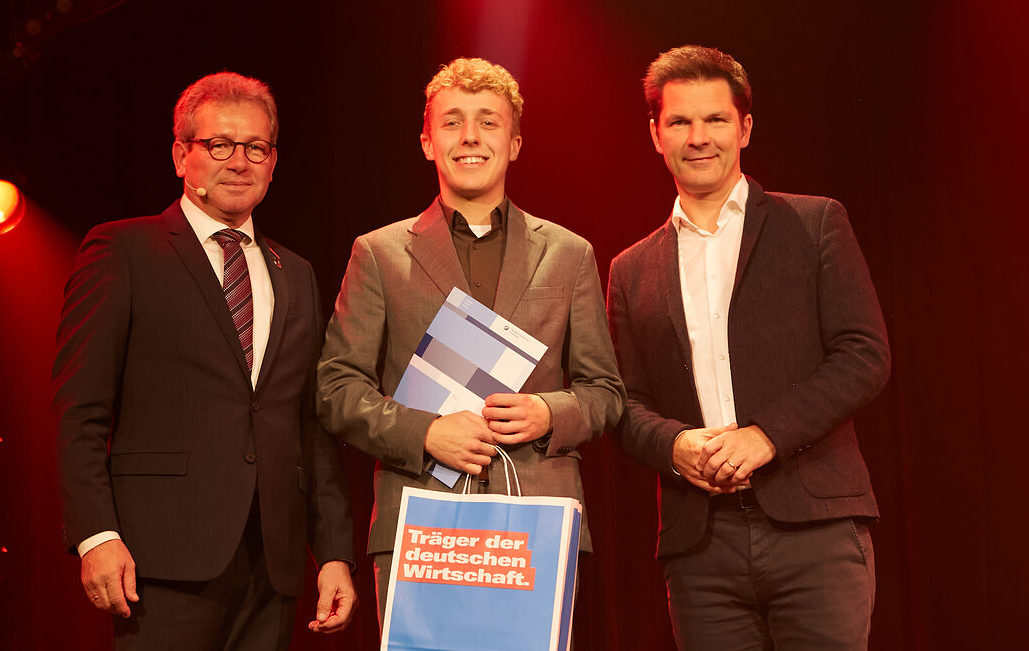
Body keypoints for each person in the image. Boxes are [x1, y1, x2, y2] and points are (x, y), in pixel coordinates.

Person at [53, 71, 356, 650]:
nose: (239, 161)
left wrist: (334, 551)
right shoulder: (122, 249)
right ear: (181, 155)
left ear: (273, 162)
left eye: (256, 148)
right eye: (219, 145)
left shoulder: (297, 273)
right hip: (159, 560)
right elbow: (79, 411)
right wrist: (95, 534)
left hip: (274, 562)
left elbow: (309, 428)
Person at [316, 57, 625, 615]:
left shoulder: (569, 254)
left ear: (515, 143)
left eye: (489, 121)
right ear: (427, 142)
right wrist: (425, 432)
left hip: (535, 522)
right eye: (452, 122)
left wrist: (549, 413)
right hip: (423, 521)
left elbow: (605, 391)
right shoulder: (379, 253)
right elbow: (337, 388)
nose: (470, 137)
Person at [608, 46, 892, 650]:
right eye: (680, 121)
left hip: (815, 527)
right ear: (655, 134)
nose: (698, 136)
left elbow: (864, 354)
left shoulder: (814, 224)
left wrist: (764, 435)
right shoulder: (631, 269)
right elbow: (624, 403)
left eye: (715, 119)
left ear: (745, 127)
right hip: (701, 547)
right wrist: (674, 444)